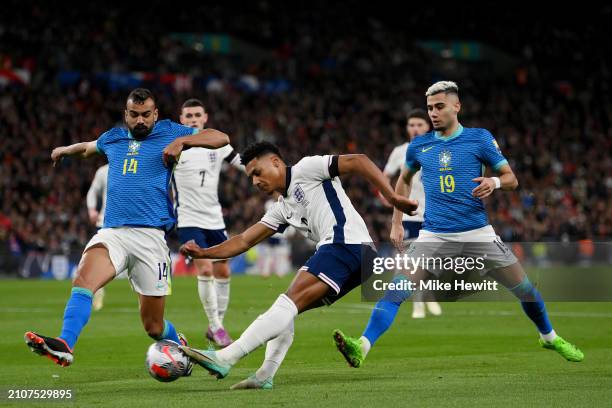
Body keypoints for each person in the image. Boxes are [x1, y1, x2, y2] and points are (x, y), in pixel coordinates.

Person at [333, 81, 584, 368]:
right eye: (430, 108)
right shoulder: (419, 146)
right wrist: (397, 222)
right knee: (396, 289)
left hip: (478, 233)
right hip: (433, 235)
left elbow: (512, 179)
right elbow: (403, 180)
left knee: (525, 289)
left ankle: (549, 337)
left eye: (439, 106)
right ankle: (361, 347)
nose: (433, 113)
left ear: (456, 106)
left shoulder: (479, 139)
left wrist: (494, 181)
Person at [179, 141, 417, 389]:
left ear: (275, 162)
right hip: (359, 257)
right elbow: (243, 240)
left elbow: (359, 160)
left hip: (346, 243)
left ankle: (226, 357)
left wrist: (392, 197)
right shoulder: (282, 208)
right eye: (250, 177)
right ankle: (264, 375)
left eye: (257, 173)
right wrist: (202, 253)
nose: (254, 182)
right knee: (287, 310)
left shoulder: (306, 168)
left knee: (287, 303)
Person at [24, 88, 229, 367]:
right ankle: (65, 343)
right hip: (112, 234)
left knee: (154, 327)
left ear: (155, 114)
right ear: (126, 115)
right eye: (134, 115)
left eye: (146, 115)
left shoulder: (170, 131)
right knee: (83, 280)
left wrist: (182, 141)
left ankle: (179, 344)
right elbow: (86, 148)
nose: (140, 120)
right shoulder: (114, 137)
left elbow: (221, 138)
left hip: (151, 239)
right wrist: (64, 150)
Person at [173, 98, 243, 346]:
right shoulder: (176, 148)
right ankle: (217, 328)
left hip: (215, 219)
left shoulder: (218, 144)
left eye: (197, 115)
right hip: (188, 219)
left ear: (205, 118)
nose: (193, 120)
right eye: (188, 116)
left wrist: (266, 172)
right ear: (181, 120)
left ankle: (217, 325)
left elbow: (241, 162)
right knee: (204, 267)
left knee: (223, 268)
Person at [382, 108, 441, 318]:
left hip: (432, 215)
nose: (415, 129)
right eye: (411, 125)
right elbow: (385, 175)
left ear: (428, 127)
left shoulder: (438, 149)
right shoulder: (400, 151)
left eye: (420, 125)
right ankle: (418, 304)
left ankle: (427, 297)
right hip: (407, 216)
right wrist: (387, 194)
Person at [86, 164, 108, 311]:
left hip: (132, 224)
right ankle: (98, 293)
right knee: (97, 264)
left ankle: (145, 301)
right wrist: (92, 209)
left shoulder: (138, 164)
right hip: (104, 224)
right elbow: (93, 191)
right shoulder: (103, 171)